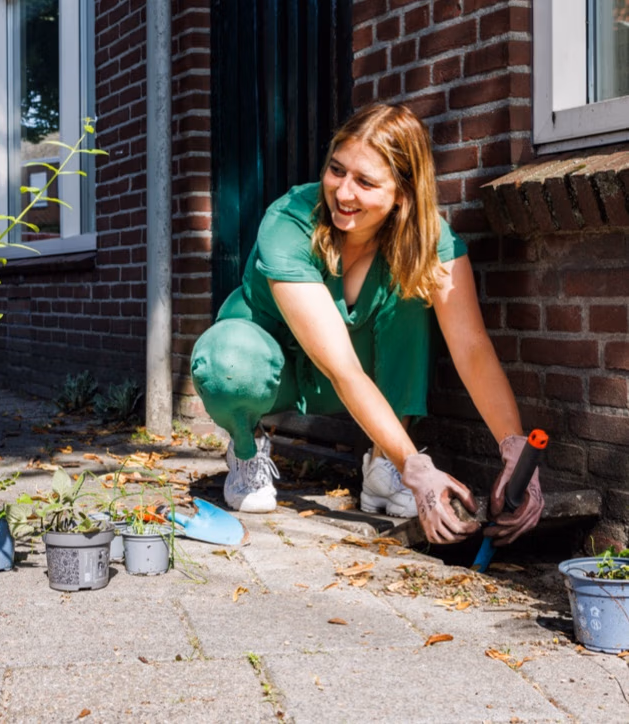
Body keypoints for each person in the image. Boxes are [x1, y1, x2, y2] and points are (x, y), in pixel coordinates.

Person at [191, 103, 543, 546]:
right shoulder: (289, 222)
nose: (343, 192)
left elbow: (471, 349)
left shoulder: (431, 239)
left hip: (346, 380)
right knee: (225, 361)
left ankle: (384, 465)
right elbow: (341, 368)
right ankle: (246, 450)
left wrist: (515, 449)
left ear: (403, 193)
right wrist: (419, 468)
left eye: (365, 182)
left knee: (414, 282)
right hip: (273, 369)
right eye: (337, 170)